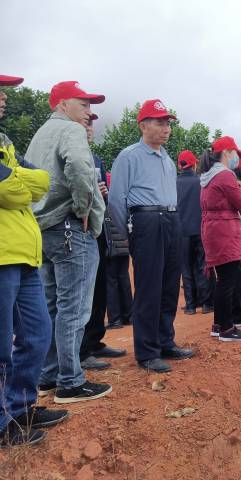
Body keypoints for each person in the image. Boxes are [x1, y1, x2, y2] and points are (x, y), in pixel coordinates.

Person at [26, 81, 112, 403]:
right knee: (74, 306)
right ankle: (71, 382)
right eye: (84, 104)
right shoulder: (71, 131)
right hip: (68, 226)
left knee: (52, 305)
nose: (89, 113)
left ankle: (49, 375)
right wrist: (84, 207)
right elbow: (77, 167)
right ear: (62, 104)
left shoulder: (39, 136)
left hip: (42, 229)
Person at [0, 74, 68, 447]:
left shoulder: (5, 141)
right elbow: (10, 191)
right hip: (2, 255)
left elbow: (41, 181)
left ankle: (21, 406)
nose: (5, 98)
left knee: (38, 335)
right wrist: (18, 184)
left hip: (24, 253)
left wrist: (18, 182)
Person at [109, 99, 194, 373]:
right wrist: (129, 234)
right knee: (149, 287)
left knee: (170, 284)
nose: (166, 128)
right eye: (159, 122)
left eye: (168, 123)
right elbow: (116, 199)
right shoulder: (129, 156)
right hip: (145, 221)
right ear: (143, 125)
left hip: (171, 219)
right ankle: (147, 352)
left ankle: (165, 341)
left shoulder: (168, 161)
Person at [200, 136, 241, 341]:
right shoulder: (225, 175)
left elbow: (235, 198)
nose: (237, 157)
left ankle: (219, 324)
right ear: (227, 152)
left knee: (228, 276)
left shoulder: (211, 175)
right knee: (227, 280)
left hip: (214, 230)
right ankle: (227, 329)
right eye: (235, 153)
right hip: (224, 231)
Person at [79, 114, 127, 371]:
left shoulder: (96, 159)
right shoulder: (70, 153)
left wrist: (103, 195)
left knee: (99, 289)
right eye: (85, 123)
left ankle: (95, 340)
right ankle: (81, 349)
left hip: (98, 232)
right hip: (77, 233)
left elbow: (101, 199)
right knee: (82, 293)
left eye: (91, 124)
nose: (89, 128)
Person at [176, 149, 214, 315]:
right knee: (202, 265)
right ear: (195, 163)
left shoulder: (173, 183)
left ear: (179, 165)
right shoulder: (201, 182)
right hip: (200, 230)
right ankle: (206, 304)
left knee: (185, 268)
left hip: (181, 231)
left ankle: (190, 305)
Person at [103, 171, 133, 329]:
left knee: (111, 282)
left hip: (111, 247)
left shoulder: (104, 202)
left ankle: (115, 319)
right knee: (124, 279)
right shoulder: (122, 200)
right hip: (123, 245)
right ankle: (129, 315)